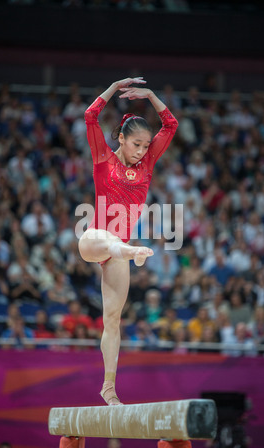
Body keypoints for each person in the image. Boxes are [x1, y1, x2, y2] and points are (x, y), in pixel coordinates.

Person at [78, 77, 178, 405]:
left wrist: (150, 94)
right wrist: (112, 87)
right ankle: (128, 249)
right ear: (121, 139)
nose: (142, 151)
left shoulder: (147, 164)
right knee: (104, 238)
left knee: (112, 319)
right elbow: (90, 116)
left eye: (146, 146)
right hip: (94, 240)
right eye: (136, 144)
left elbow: (171, 123)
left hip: (119, 254)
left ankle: (108, 389)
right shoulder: (102, 158)